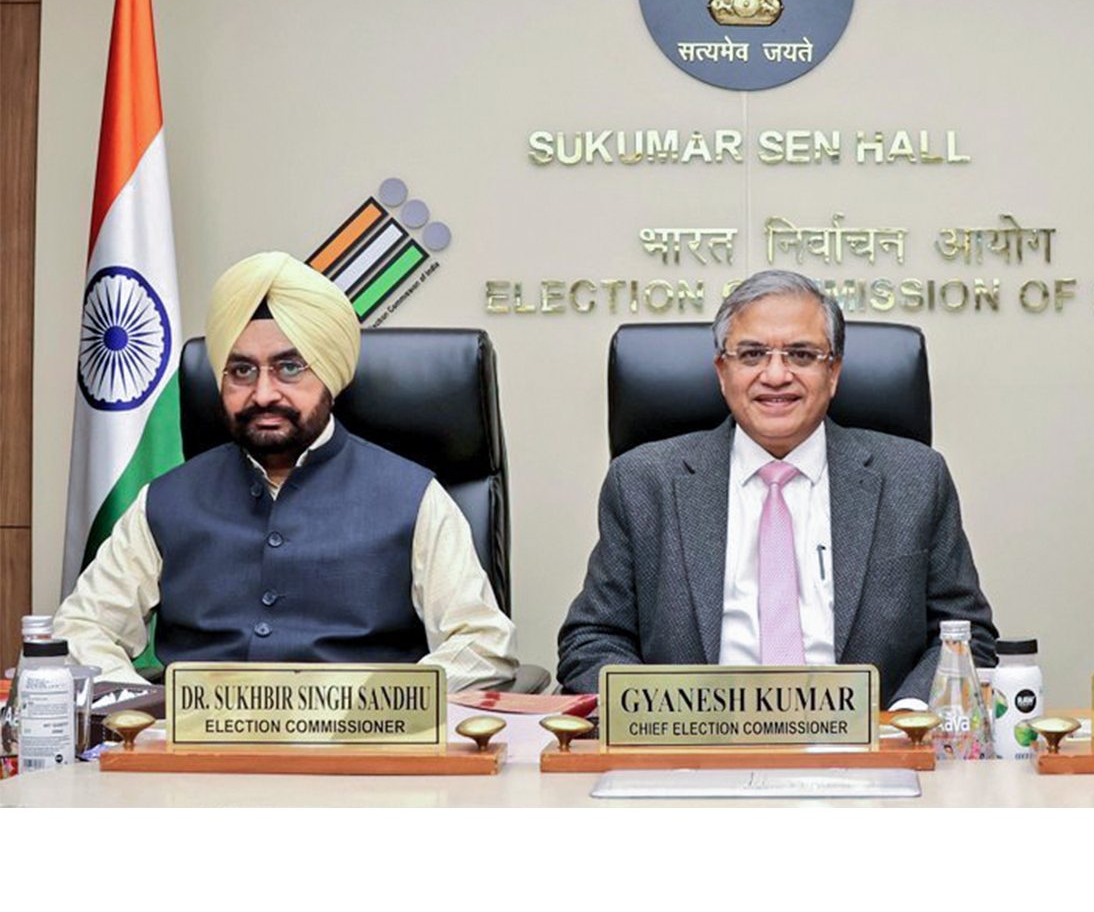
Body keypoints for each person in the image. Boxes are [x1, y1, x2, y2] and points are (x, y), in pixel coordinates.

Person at [54, 251, 518, 691]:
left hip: (360, 760)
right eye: (240, 371)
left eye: (289, 367)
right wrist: (146, 711)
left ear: (330, 376)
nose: (263, 394)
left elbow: (483, 645)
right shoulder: (165, 501)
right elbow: (80, 630)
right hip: (195, 758)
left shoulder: (414, 497)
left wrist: (375, 705)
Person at [557, 269, 996, 704]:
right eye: (751, 355)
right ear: (722, 371)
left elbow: (964, 635)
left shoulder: (915, 479)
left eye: (801, 355)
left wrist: (906, 722)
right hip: (696, 753)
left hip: (871, 751)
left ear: (834, 372)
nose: (775, 375)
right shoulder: (643, 483)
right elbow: (593, 640)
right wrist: (663, 719)